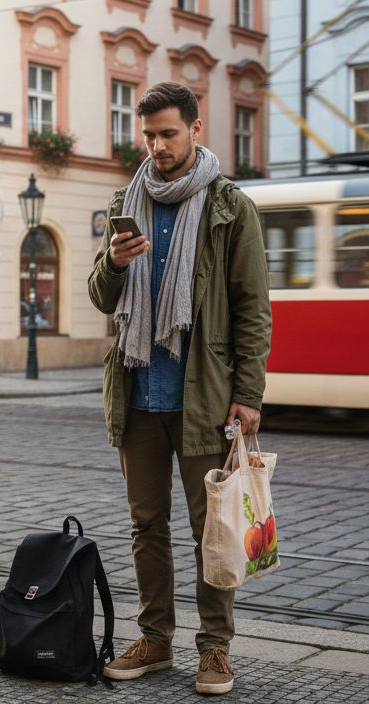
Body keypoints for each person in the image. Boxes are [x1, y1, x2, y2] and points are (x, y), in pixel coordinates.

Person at [88, 81, 271, 696]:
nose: (157, 146)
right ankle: (157, 639)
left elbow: (252, 308)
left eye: (168, 133)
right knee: (147, 527)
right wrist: (114, 264)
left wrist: (248, 395)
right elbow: (99, 297)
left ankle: (215, 650)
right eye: (149, 135)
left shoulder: (228, 206)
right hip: (138, 391)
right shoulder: (127, 200)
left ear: (196, 129)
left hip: (205, 396)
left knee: (211, 531)